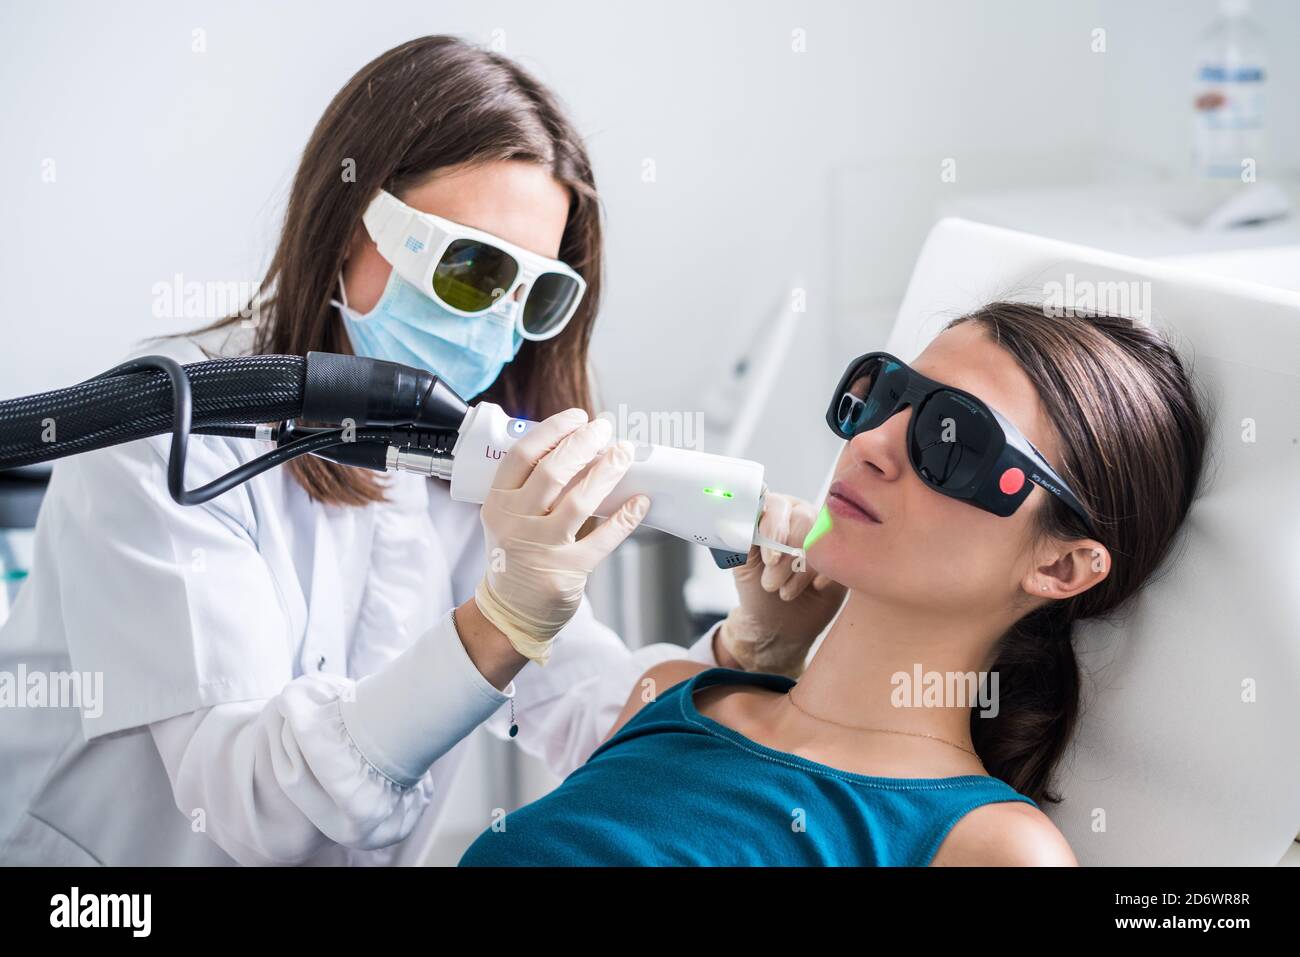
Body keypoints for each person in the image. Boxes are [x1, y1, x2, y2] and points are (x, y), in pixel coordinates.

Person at [0, 36, 831, 866]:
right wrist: (499, 622)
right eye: (469, 269)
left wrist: (750, 651)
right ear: (345, 227)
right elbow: (253, 807)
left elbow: (591, 711)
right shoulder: (170, 433)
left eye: (536, 292)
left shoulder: (471, 464)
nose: (496, 327)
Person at [459, 302, 1211, 866]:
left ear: (1058, 566)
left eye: (952, 441)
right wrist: (759, 643)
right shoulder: (671, 691)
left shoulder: (991, 846)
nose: (873, 443)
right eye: (886, 395)